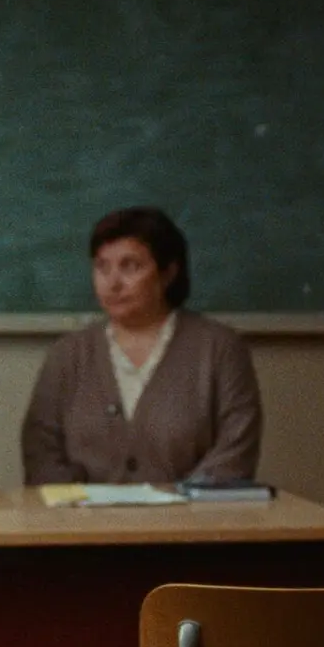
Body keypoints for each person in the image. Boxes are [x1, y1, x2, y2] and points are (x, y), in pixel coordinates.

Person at [21, 206, 263, 485]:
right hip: (81, 512)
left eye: (130, 266)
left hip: (191, 512)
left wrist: (181, 502)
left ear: (168, 273)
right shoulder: (68, 354)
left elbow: (235, 451)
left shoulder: (220, 349)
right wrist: (76, 502)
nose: (113, 283)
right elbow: (40, 451)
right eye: (102, 267)